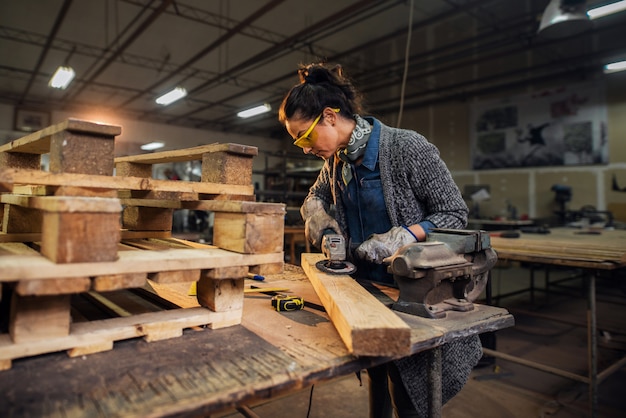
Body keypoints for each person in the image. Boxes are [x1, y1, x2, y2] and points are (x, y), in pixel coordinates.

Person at [278, 62, 482, 418]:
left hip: (413, 295)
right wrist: (321, 221)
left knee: (408, 394)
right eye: (297, 141)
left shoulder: (406, 148)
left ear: (329, 116)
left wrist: (404, 236)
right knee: (377, 374)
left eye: (305, 137)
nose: (304, 149)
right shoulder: (336, 162)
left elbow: (453, 213)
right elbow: (313, 197)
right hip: (365, 293)